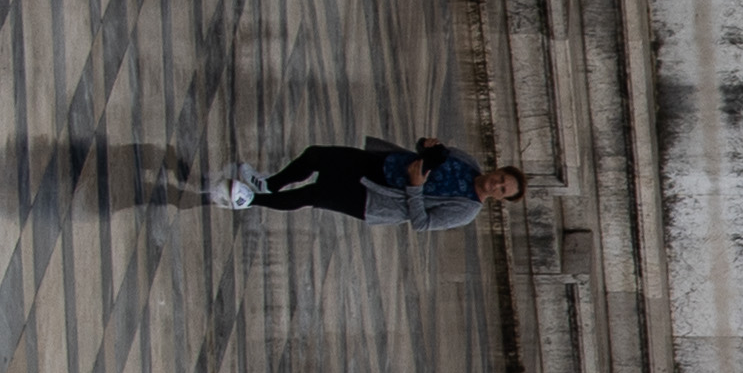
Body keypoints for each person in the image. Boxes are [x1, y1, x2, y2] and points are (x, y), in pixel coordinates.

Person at [213, 139, 528, 226]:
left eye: (502, 190)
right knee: (317, 156)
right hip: (381, 165)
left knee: (315, 193)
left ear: (499, 199)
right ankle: (269, 185)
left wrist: (416, 186)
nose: (497, 185)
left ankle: (250, 200)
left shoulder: (466, 210)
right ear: (497, 169)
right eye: (502, 178)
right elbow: (424, 150)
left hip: (377, 200)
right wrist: (427, 145)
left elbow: (421, 223)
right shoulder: (468, 162)